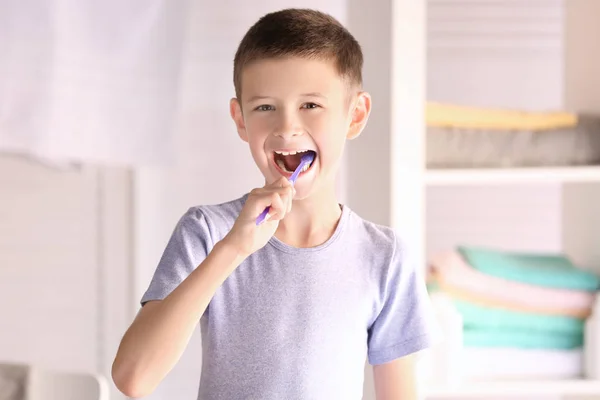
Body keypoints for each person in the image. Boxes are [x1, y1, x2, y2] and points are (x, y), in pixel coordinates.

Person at [112, 8, 437, 400]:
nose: (286, 128)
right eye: (265, 107)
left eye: (310, 106)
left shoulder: (384, 258)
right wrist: (233, 249)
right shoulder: (208, 232)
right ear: (240, 119)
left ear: (355, 115)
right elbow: (133, 378)